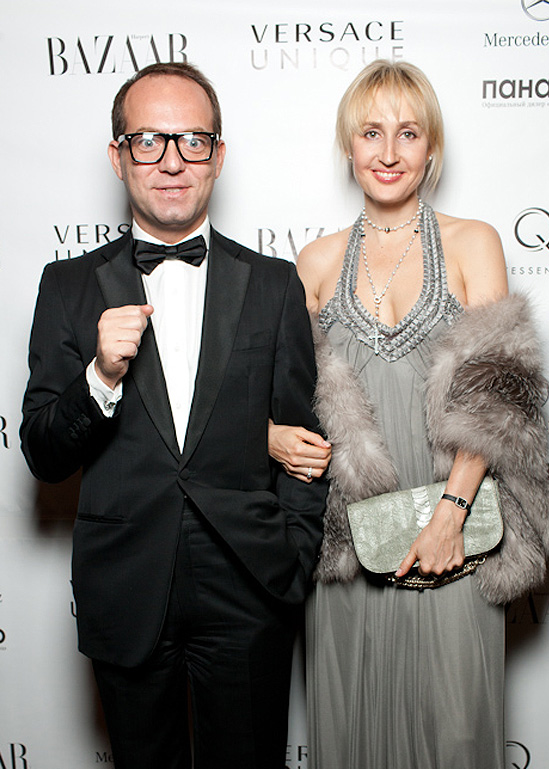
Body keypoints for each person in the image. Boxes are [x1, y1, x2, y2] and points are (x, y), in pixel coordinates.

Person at [20, 61, 327, 769]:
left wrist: (294, 555)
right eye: (148, 140)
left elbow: (304, 437)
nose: (170, 161)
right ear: (118, 155)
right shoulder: (67, 286)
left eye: (192, 140)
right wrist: (100, 376)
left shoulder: (274, 283)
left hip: (250, 583)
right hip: (126, 585)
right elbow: (43, 452)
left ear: (217, 155)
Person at [268, 60, 549, 769]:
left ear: (431, 146)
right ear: (349, 145)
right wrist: (273, 435)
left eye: (408, 133)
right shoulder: (313, 262)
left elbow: (499, 395)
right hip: (347, 542)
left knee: (455, 734)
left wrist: (450, 515)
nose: (388, 152)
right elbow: (272, 396)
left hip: (455, 530)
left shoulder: (473, 241)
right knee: (351, 732)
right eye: (371, 132)